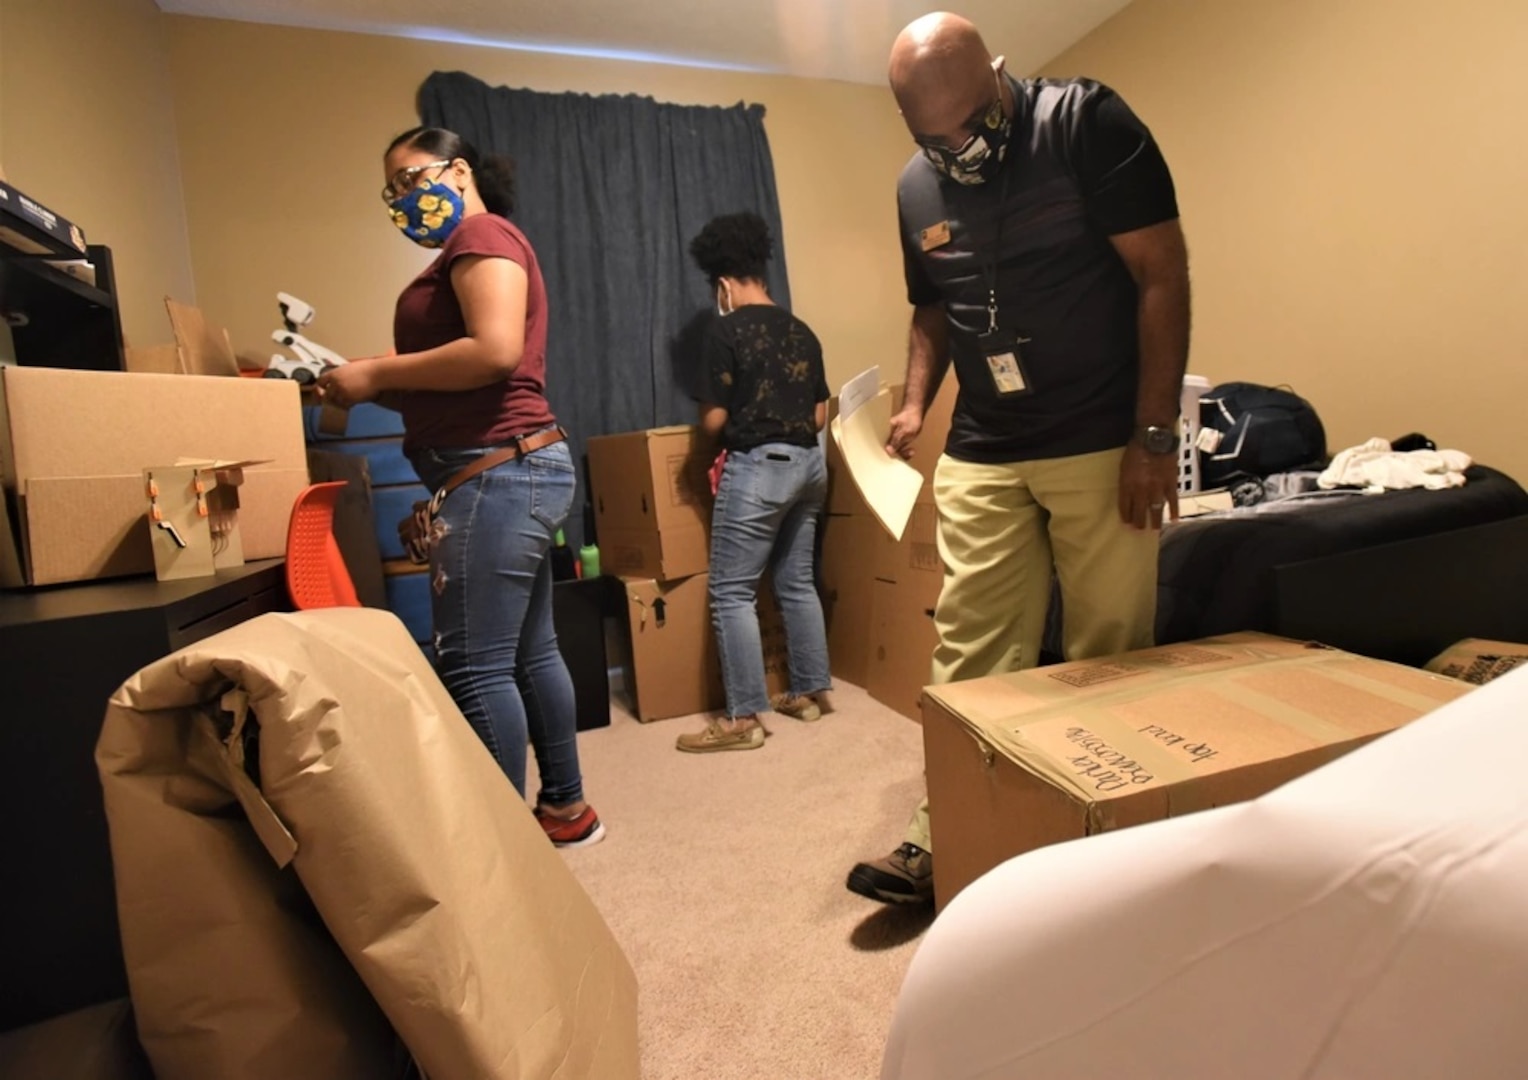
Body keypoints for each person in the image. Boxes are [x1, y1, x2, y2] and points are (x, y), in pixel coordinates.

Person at [845, 12, 1191, 903]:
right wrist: (918, 400)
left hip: (1099, 436)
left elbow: (1163, 274)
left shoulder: (1083, 123)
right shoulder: (916, 187)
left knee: (1107, 652)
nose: (958, 147)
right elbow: (933, 309)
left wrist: (1155, 437)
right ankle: (947, 832)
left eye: (970, 121)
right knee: (968, 653)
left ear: (998, 74)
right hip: (987, 447)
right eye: (933, 136)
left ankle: (1103, 846)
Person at [316, 126, 604, 847]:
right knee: (531, 652)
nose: (402, 200)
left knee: (473, 666)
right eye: (392, 192)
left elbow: (494, 351)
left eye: (410, 180)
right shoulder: (469, 247)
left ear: (458, 170)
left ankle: (503, 853)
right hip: (509, 466)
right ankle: (566, 812)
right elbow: (461, 377)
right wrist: (361, 385)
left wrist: (377, 373)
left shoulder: (481, 234)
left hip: (499, 470)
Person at [674, 211, 834, 753]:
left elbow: (714, 422)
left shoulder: (726, 330)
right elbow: (819, 414)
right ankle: (807, 693)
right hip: (812, 467)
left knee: (731, 592)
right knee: (795, 582)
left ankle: (743, 720)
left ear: (722, 283)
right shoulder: (802, 330)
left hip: (759, 468)